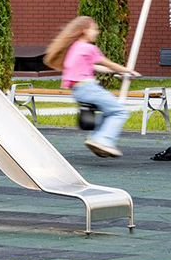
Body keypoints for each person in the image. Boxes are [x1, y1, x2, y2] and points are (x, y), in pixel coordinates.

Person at [44, 16, 139, 158]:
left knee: (109, 112)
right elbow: (108, 63)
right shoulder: (89, 48)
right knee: (119, 112)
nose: (97, 32)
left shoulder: (75, 47)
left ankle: (95, 139)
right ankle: (103, 140)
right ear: (84, 31)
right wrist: (128, 71)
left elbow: (95, 67)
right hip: (89, 89)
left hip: (79, 91)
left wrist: (118, 72)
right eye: (94, 29)